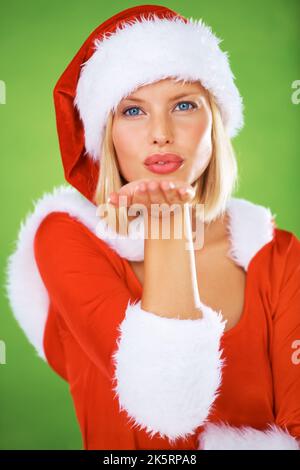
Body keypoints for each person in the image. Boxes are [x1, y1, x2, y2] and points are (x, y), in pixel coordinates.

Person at [5, 4, 300, 450]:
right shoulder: (66, 237)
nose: (161, 133)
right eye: (132, 111)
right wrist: (168, 226)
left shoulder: (278, 255)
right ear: (106, 133)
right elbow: (166, 405)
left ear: (215, 123)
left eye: (184, 105)